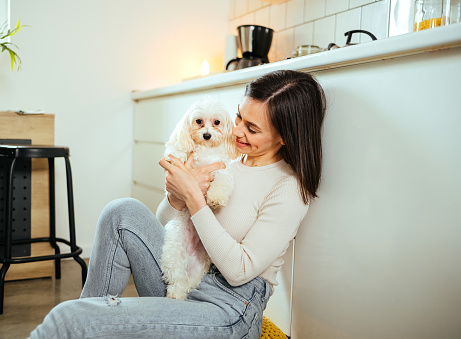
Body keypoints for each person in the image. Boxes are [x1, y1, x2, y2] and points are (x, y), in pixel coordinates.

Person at [29, 69, 326, 339]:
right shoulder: (228, 164)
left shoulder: (288, 187)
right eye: (238, 117)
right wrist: (176, 196)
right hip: (183, 275)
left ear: (285, 137)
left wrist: (195, 198)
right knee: (120, 212)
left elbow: (239, 271)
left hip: (230, 307)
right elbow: (164, 222)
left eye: (252, 128)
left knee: (68, 319)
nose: (236, 131)